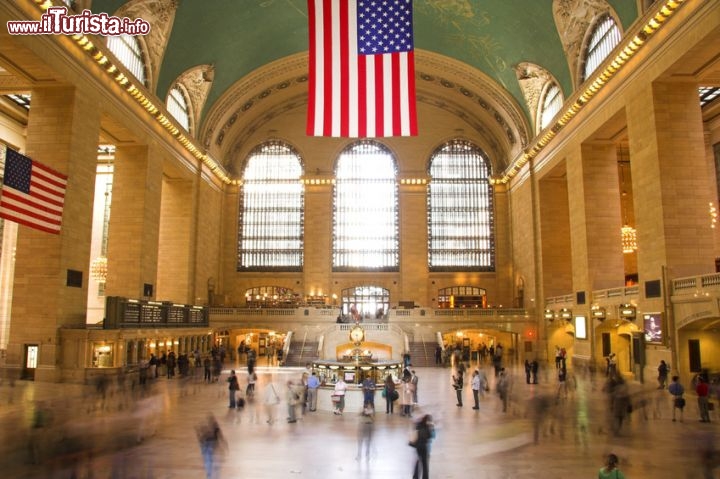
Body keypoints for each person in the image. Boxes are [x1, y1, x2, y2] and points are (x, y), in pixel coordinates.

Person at [196, 413, 226, 479]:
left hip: (208, 447)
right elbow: (219, 436)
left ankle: (209, 474)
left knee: (209, 460)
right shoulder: (214, 428)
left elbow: (202, 440)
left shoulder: (214, 428)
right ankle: (210, 473)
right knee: (210, 460)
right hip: (209, 446)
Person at [410, 414, 435, 479]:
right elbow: (431, 436)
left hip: (418, 447)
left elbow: (414, 432)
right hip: (424, 447)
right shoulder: (428, 427)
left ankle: (415, 476)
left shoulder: (418, 426)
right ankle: (425, 477)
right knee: (425, 463)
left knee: (418, 461)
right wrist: (432, 428)